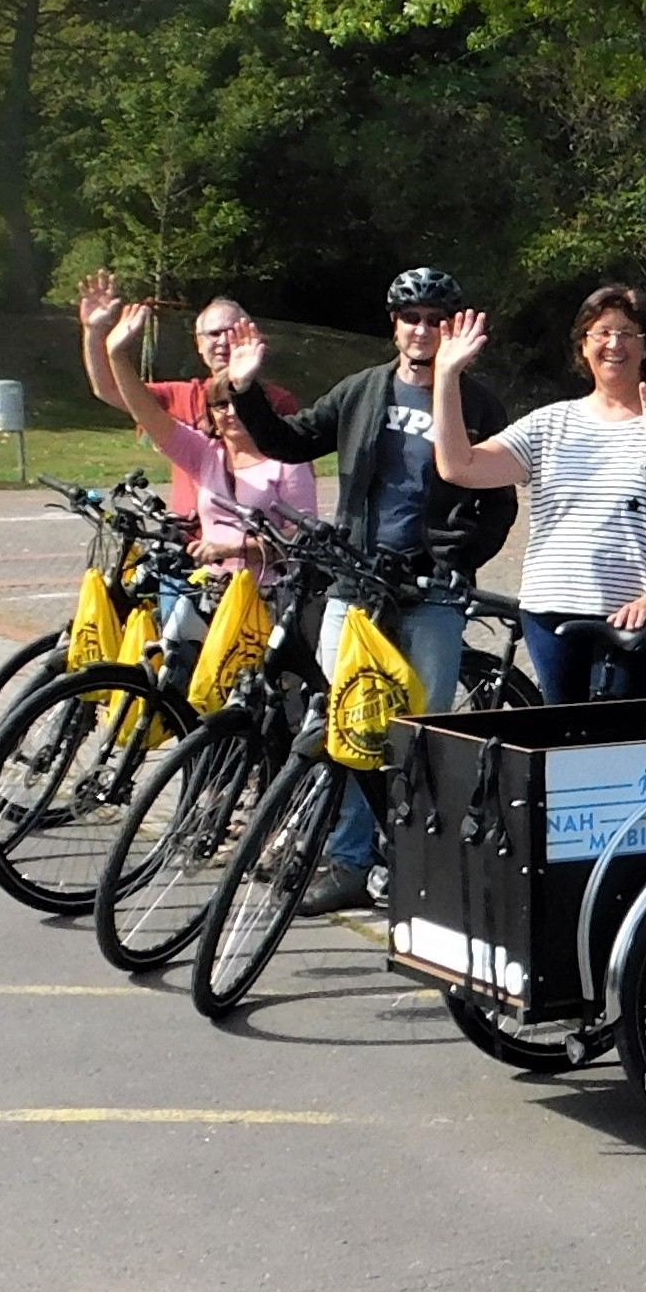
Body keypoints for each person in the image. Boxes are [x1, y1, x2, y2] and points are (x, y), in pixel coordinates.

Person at [228, 267, 518, 914]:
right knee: (349, 723)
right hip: (356, 581)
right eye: (411, 318)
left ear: (451, 327)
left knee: (417, 733)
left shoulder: (476, 403)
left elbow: (497, 506)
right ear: (394, 325)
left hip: (433, 592)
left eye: (436, 319)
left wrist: (455, 555)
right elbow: (290, 437)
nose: (423, 330)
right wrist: (244, 389)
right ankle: (351, 858)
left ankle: (411, 857)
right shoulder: (364, 391)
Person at [426, 288, 646, 704]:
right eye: (603, 332)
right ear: (584, 345)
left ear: (645, 346)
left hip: (642, 614)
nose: (615, 344)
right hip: (552, 611)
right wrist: (446, 379)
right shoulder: (550, 423)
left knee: (623, 745)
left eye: (628, 333)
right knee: (561, 737)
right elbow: (458, 466)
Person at [91, 298, 316, 570]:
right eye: (220, 405)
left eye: (230, 331)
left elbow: (303, 533)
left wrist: (236, 549)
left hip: (266, 584)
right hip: (193, 556)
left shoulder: (281, 432)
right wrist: (108, 346)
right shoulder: (204, 448)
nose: (231, 412)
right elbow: (125, 399)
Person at [76, 273, 297, 516]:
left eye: (231, 332)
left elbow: (295, 480)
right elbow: (108, 390)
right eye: (213, 334)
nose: (223, 341)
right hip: (191, 541)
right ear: (199, 346)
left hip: (257, 538)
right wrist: (94, 332)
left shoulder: (277, 400)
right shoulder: (181, 395)